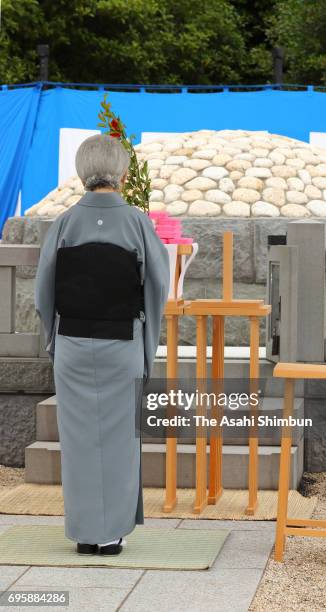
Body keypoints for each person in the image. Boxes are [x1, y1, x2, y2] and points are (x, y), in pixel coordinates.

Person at [34, 134, 170, 556]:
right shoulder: (136, 222)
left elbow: (43, 292)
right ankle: (111, 534)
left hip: (74, 342)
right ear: (123, 173)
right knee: (118, 440)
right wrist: (146, 347)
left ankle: (84, 532)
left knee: (77, 442)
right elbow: (157, 287)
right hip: (121, 341)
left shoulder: (64, 223)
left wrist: (54, 340)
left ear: (82, 173)